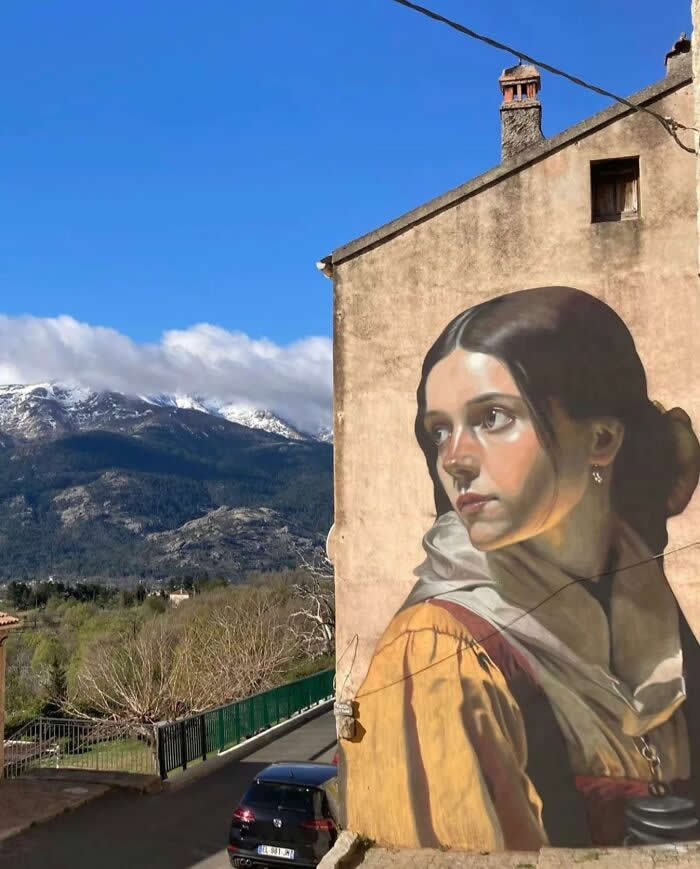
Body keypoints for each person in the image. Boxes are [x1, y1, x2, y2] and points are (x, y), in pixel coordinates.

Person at [340, 286, 700, 851]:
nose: (454, 458)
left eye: (493, 417)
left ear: (601, 439)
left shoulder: (642, 603)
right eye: (440, 430)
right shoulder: (438, 654)